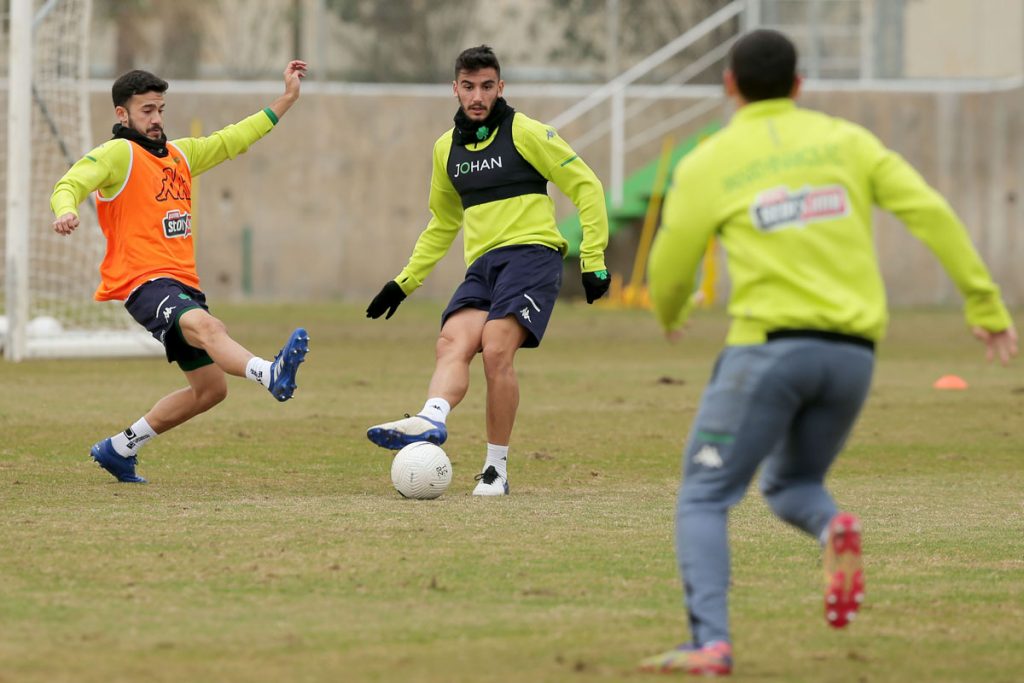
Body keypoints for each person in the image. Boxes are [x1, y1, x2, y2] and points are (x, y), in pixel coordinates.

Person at [640, 29, 1017, 676]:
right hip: (852, 358)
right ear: (798, 85)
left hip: (768, 353)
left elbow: (671, 261)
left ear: (728, 83)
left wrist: (672, 312)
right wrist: (984, 305)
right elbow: (930, 211)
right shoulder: (848, 141)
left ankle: (711, 642)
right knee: (791, 483)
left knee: (704, 495)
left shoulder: (709, 159)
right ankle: (832, 525)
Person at [50, 61, 312, 484]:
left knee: (211, 390)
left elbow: (233, 140)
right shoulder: (119, 153)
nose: (155, 119)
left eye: (160, 109)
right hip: (143, 283)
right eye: (146, 110)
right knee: (209, 326)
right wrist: (64, 210)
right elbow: (71, 183)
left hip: (181, 283)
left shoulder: (180, 155)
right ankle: (269, 372)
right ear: (123, 115)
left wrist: (286, 99)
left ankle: (119, 448)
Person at [364, 45, 610, 496]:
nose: (477, 96)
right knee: (451, 342)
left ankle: (496, 468)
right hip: (483, 266)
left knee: (496, 349)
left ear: (501, 88)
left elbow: (587, 186)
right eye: (468, 86)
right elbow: (443, 222)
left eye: (487, 86)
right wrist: (404, 283)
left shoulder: (527, 132)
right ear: (454, 88)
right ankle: (432, 417)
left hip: (532, 255)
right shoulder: (445, 150)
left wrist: (592, 258)